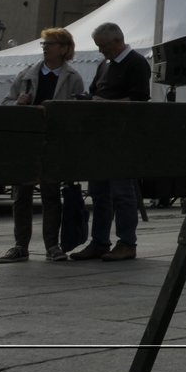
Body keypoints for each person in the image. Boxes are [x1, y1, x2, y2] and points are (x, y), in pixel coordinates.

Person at [0, 28, 86, 263]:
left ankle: (52, 246)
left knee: (50, 195)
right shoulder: (27, 74)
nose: (45, 47)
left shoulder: (72, 77)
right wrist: (18, 102)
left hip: (54, 144)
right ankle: (20, 246)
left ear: (64, 48)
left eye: (50, 43)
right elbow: (6, 103)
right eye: (44, 44)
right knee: (21, 196)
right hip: (27, 143)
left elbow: (79, 111)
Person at [71, 22, 151, 261]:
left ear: (117, 41)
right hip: (101, 137)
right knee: (99, 192)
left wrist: (105, 104)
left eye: (103, 46)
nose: (100, 51)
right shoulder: (105, 64)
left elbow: (139, 100)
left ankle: (127, 243)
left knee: (122, 193)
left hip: (123, 137)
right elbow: (97, 90)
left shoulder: (137, 63)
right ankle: (100, 241)